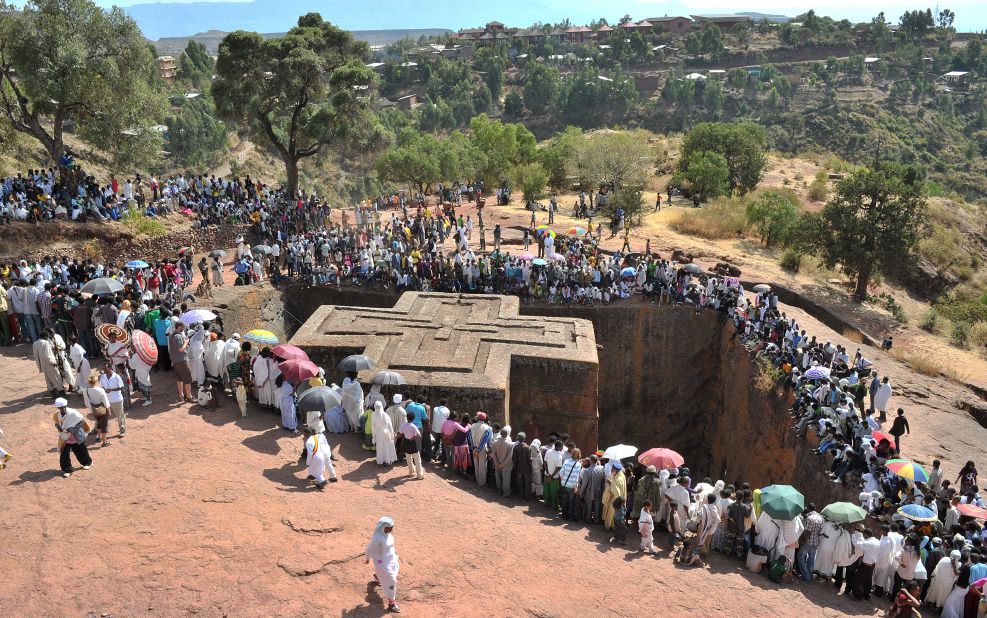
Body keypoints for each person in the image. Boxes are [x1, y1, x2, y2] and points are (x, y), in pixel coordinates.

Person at [365, 517, 401, 613]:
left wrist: (394, 553)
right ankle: (391, 603)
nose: (392, 529)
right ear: (384, 527)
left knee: (393, 574)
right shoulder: (377, 538)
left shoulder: (388, 534)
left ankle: (379, 577)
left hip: (391, 559)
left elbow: (390, 545)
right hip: (382, 562)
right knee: (392, 581)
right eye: (390, 527)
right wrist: (367, 558)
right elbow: (369, 548)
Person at [53, 397, 92, 478]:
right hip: (64, 437)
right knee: (64, 453)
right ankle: (67, 469)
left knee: (80, 450)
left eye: (64, 407)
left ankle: (87, 463)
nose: (62, 409)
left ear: (66, 406)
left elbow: (81, 422)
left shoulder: (73, 413)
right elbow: (56, 423)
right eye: (60, 408)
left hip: (75, 435)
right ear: (58, 408)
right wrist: (59, 428)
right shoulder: (57, 414)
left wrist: (70, 429)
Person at [33, 330, 67, 398]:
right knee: (57, 378)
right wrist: (54, 363)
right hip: (49, 364)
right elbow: (47, 356)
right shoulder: (45, 343)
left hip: (42, 365)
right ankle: (61, 393)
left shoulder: (35, 343)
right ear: (45, 337)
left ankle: (53, 393)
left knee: (48, 379)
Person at [82, 374, 111, 447]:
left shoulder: (85, 390)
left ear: (89, 382)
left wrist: (91, 410)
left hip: (94, 409)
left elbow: (87, 402)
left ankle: (98, 437)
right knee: (104, 425)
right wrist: (109, 410)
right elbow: (106, 401)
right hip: (103, 409)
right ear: (96, 381)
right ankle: (104, 442)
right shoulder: (100, 390)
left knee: (98, 423)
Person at [99, 364, 126, 439]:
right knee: (102, 415)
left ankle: (122, 430)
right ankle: (97, 429)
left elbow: (122, 387)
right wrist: (104, 390)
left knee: (120, 415)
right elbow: (102, 387)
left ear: (110, 368)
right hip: (106, 400)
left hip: (117, 399)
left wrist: (111, 390)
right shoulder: (103, 377)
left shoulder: (116, 376)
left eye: (105, 368)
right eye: (103, 368)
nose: (104, 370)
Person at [169, 321, 193, 403]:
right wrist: (186, 342)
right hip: (182, 360)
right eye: (183, 327)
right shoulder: (178, 337)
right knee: (187, 378)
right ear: (179, 326)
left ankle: (181, 395)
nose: (184, 328)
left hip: (175, 361)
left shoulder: (172, 335)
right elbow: (181, 349)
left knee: (179, 379)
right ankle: (189, 396)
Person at [398, 411, 424, 480]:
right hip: (413, 444)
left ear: (407, 417)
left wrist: (395, 435)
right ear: (413, 418)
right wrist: (413, 437)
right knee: (417, 460)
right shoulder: (413, 426)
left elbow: (400, 435)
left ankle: (411, 472)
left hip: (406, 443)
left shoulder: (403, 425)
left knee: (409, 459)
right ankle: (419, 475)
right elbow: (418, 434)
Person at [602, 462, 627, 531]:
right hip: (614, 498)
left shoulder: (619, 479)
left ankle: (610, 526)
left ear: (617, 470)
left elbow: (616, 492)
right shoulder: (618, 474)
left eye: (613, 470)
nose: (611, 471)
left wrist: (610, 483)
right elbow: (611, 478)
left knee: (612, 513)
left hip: (616, 500)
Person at [371, 401, 397, 466]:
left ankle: (381, 460)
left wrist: (374, 436)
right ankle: (387, 460)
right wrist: (391, 433)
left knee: (380, 447)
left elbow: (373, 426)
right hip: (386, 434)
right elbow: (389, 425)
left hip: (379, 434)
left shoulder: (373, 414)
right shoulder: (385, 415)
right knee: (387, 447)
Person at [491, 426, 514, 498]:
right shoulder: (510, 444)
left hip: (497, 464)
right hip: (506, 465)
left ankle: (499, 490)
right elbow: (509, 457)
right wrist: (503, 464)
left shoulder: (495, 442)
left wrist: (497, 463)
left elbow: (493, 454)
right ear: (507, 434)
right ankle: (505, 493)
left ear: (500, 433)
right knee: (506, 479)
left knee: (498, 478)